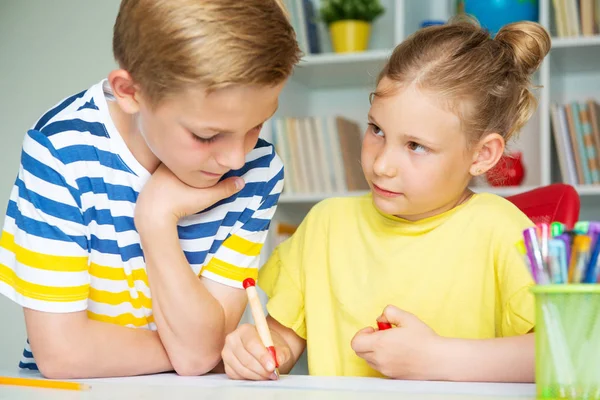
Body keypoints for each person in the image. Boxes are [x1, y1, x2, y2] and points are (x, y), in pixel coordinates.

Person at [221, 18, 550, 382]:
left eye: (415, 146)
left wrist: (434, 358)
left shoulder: (502, 230)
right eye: (376, 129)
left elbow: (561, 351)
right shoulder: (326, 225)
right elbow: (282, 337)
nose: (381, 165)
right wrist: (256, 348)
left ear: (482, 155)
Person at [0, 0, 300, 378]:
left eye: (257, 125)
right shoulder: (61, 151)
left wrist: (156, 219)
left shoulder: (258, 170)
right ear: (130, 92)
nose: (236, 159)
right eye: (206, 135)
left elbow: (197, 358)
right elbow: (62, 355)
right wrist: (194, 348)